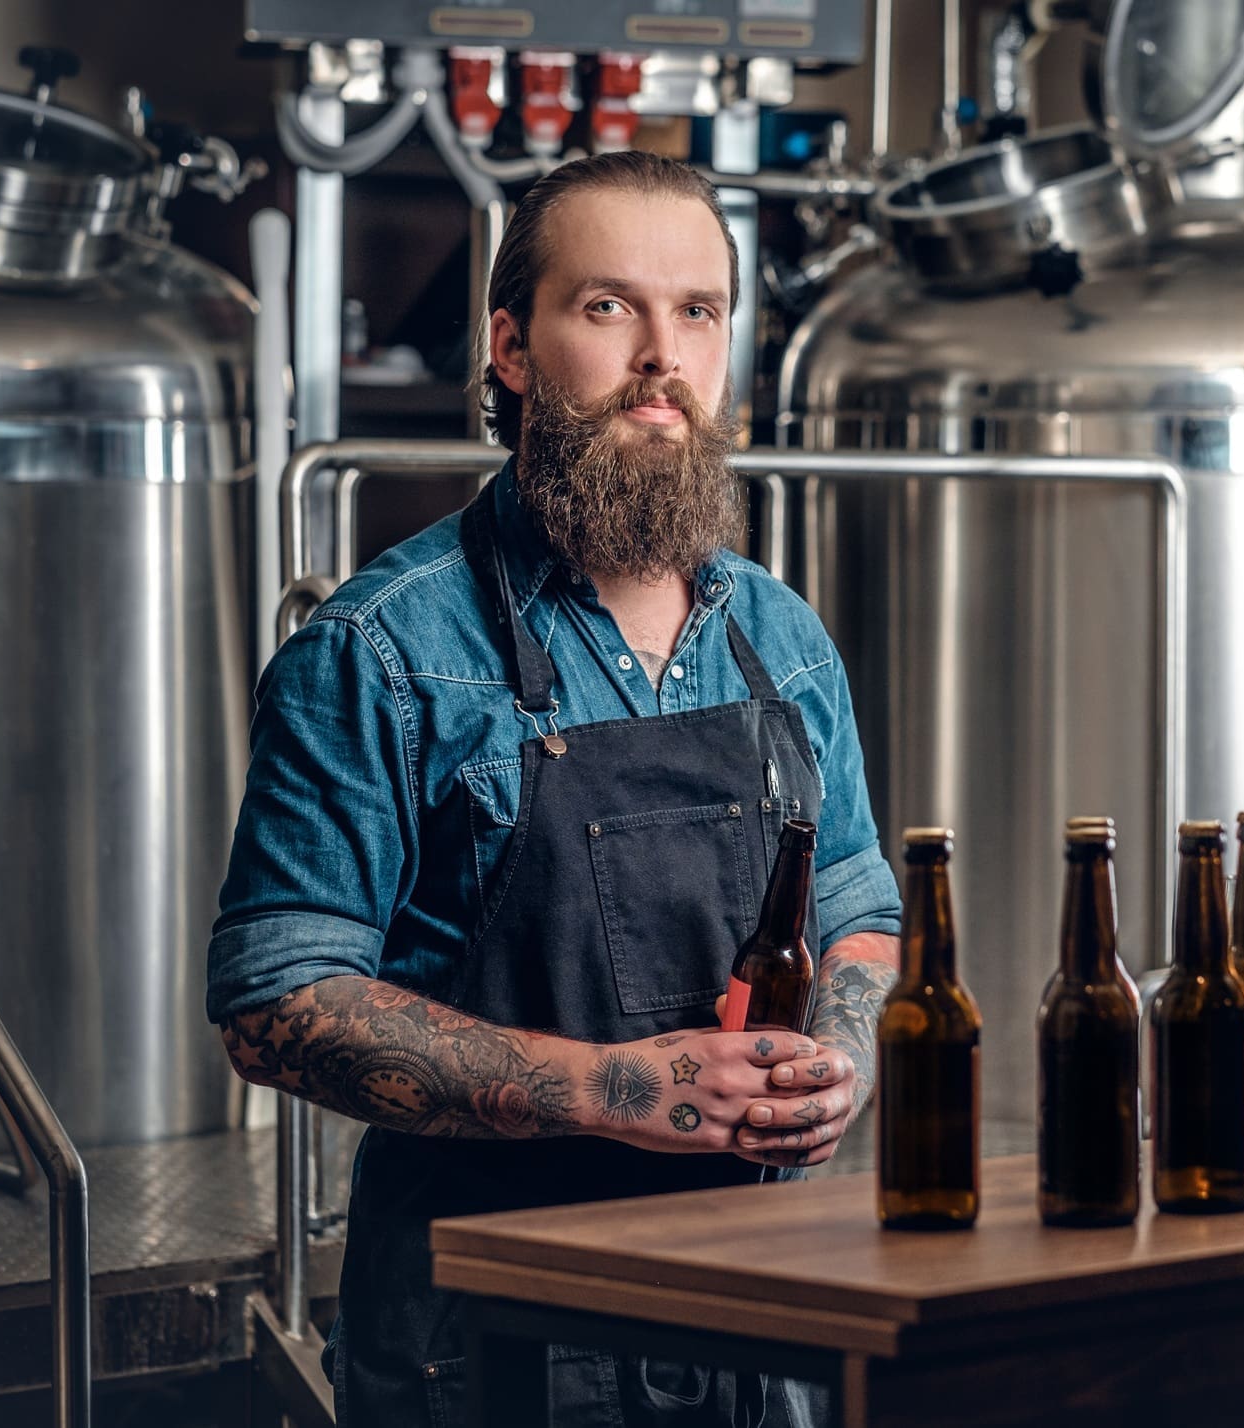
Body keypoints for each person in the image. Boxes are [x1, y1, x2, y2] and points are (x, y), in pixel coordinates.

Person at [205, 151, 902, 1426]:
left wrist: (841, 1055)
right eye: (608, 307)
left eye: (696, 312)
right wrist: (620, 1092)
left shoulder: (782, 635)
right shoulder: (379, 651)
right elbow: (274, 1001)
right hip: (490, 1345)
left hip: (755, 1322)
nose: (661, 357)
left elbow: (859, 902)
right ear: (512, 348)